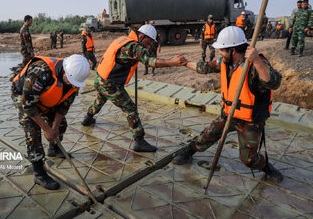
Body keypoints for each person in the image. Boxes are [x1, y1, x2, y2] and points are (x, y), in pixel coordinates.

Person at [173, 26, 284, 183]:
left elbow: (273, 82)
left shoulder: (254, 64)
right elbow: (205, 67)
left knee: (249, 159)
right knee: (207, 135)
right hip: (229, 113)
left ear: (233, 50)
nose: (220, 53)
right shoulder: (225, 61)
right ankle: (188, 152)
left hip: (250, 120)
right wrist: (185, 63)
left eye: (222, 50)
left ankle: (267, 167)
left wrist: (257, 61)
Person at [81, 25, 187, 152]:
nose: (149, 45)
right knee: (130, 108)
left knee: (100, 100)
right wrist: (172, 62)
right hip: (110, 83)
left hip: (100, 79)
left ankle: (87, 118)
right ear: (142, 36)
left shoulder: (124, 40)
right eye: (149, 42)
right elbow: (150, 61)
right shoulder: (134, 46)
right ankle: (139, 141)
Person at [11, 54, 90, 190]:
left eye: (75, 83)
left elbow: (63, 106)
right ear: (65, 71)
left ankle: (54, 149)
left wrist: (55, 128)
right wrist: (46, 129)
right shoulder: (40, 72)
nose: (72, 85)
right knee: (33, 132)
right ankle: (39, 174)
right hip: (24, 97)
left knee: (61, 125)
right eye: (70, 80)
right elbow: (28, 105)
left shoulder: (74, 80)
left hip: (45, 97)